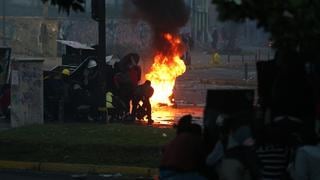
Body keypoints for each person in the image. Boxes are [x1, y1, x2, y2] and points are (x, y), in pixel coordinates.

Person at [159, 115, 207, 180]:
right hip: (177, 172)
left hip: (162, 172)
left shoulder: (178, 138)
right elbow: (202, 158)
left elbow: (163, 149)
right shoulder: (195, 139)